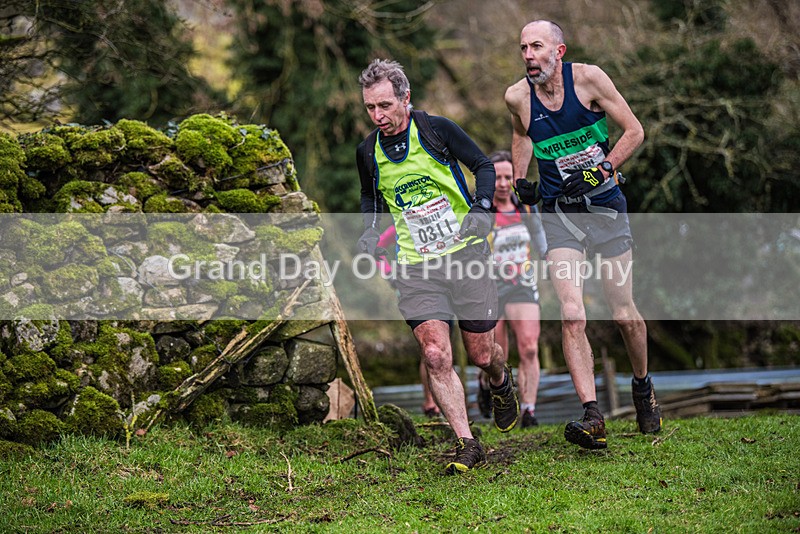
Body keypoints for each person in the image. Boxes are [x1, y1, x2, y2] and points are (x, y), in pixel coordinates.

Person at [356, 58, 519, 474]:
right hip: (416, 265)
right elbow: (372, 201)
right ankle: (466, 442)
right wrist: (369, 233)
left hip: (465, 255)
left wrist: (482, 207)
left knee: (483, 356)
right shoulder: (368, 152)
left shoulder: (436, 130)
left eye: (385, 106)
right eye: (370, 108)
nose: (378, 116)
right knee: (434, 354)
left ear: (405, 98)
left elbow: (483, 165)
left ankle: (501, 382)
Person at [505, 20, 661, 449]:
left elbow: (635, 131)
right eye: (523, 48)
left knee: (623, 311)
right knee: (572, 312)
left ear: (559, 51)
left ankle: (643, 385)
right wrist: (521, 181)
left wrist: (603, 168)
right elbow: (520, 135)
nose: (528, 56)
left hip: (606, 206)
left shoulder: (589, 79)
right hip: (560, 214)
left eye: (537, 46)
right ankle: (592, 415)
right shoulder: (517, 96)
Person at [476, 150, 547, 428]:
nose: (503, 183)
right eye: (498, 177)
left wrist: (552, 261)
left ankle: (529, 410)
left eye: (508, 177)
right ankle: (486, 385)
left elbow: (541, 240)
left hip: (523, 285)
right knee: (495, 353)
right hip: (490, 287)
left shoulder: (526, 208)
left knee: (529, 346)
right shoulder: (481, 211)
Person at [377, 224, 442, 418]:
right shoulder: (400, 224)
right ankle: (431, 402)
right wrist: (389, 274)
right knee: (430, 345)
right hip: (413, 288)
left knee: (441, 347)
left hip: (443, 284)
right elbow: (378, 245)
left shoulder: (438, 218)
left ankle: (440, 400)